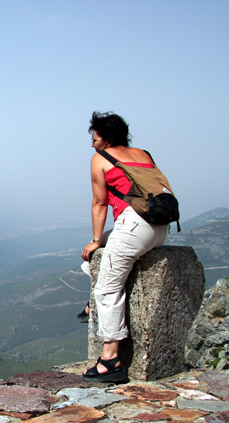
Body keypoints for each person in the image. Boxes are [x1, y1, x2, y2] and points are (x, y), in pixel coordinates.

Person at [80, 111, 170, 383]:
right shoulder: (144, 154)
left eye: (94, 138)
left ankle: (110, 359)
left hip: (133, 227)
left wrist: (96, 239)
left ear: (105, 138)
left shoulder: (101, 159)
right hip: (159, 228)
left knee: (106, 288)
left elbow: (101, 203)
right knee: (92, 260)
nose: (92, 144)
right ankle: (90, 308)